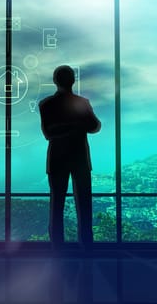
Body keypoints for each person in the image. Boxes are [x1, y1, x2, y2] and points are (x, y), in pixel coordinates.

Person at [38, 65, 101, 250]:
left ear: (55, 81)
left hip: (57, 160)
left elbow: (48, 133)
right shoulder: (82, 103)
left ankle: (57, 247)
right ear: (73, 81)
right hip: (80, 159)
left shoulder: (46, 104)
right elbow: (95, 126)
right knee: (84, 205)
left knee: (56, 205)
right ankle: (87, 246)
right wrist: (77, 124)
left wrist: (65, 127)